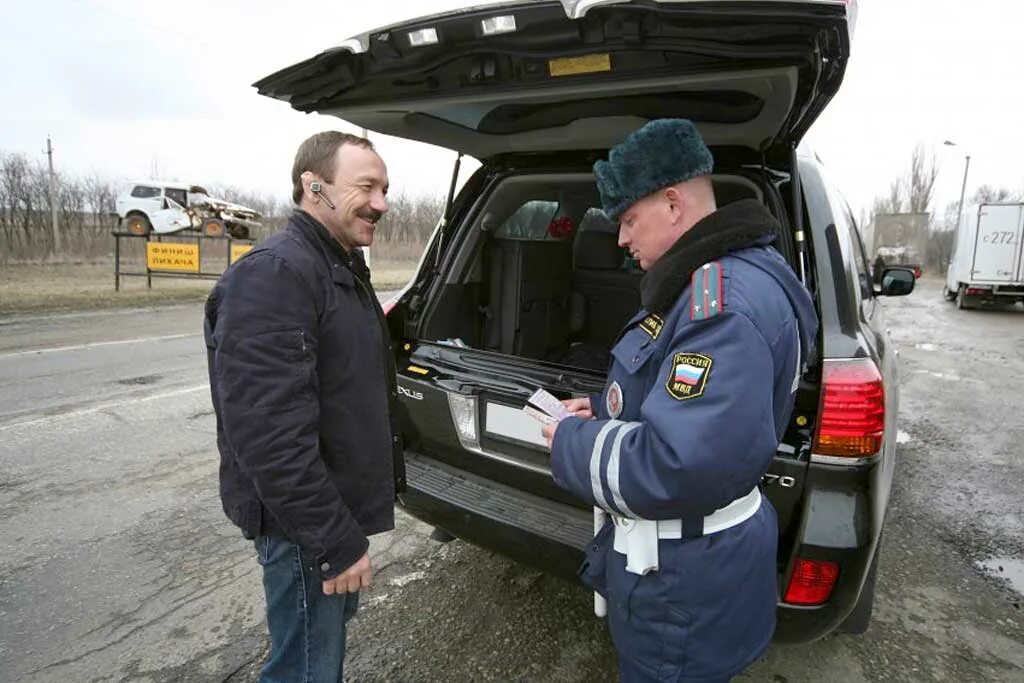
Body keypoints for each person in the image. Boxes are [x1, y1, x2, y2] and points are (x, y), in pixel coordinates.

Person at [542, 119, 817, 682]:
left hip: (682, 583)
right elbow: (684, 399)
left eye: (628, 218)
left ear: (672, 203)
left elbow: (677, 464)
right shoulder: (716, 280)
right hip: (693, 567)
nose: (621, 239)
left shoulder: (720, 305)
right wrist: (608, 409)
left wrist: (570, 440)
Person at [204, 131, 404, 683]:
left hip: (326, 515)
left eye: (385, 188)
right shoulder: (276, 275)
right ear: (313, 188)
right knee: (305, 669)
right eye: (366, 186)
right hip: (304, 529)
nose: (382, 203)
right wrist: (334, 541)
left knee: (319, 658)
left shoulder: (336, 264)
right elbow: (269, 436)